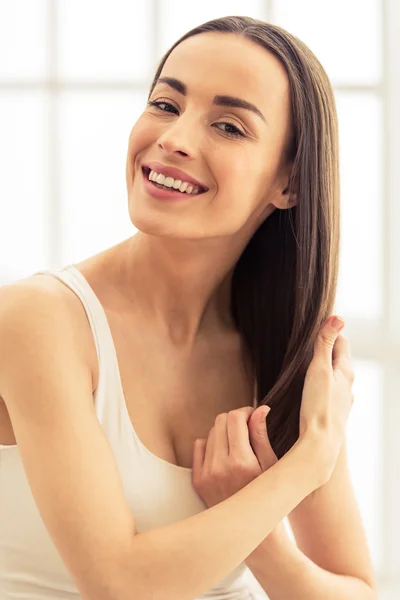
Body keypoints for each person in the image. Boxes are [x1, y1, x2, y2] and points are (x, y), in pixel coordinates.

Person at [0, 15, 377, 600]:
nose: (174, 138)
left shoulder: (284, 350)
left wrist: (264, 542)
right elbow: (117, 584)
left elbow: (356, 591)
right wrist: (305, 464)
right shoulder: (36, 320)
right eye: (166, 104)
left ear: (290, 183)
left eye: (227, 126)